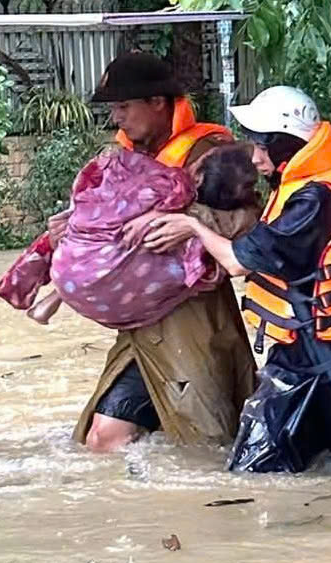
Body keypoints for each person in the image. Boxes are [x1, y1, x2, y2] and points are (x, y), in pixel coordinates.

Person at [141, 86, 331, 475]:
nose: (254, 159)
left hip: (323, 365)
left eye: (261, 147)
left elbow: (238, 262)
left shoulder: (314, 198)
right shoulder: (313, 181)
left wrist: (191, 227)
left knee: (255, 475)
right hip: (318, 356)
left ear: (287, 143)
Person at [63, 51, 258, 452]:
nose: (117, 118)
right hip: (136, 325)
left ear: (158, 103)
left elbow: (252, 220)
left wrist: (183, 222)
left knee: (207, 442)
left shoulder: (215, 151)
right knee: (101, 439)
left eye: (123, 107)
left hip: (194, 323)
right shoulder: (122, 159)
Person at [0, 142, 260, 327]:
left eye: (124, 106)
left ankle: (55, 295)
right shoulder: (224, 223)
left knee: (118, 242)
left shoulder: (171, 190)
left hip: (73, 271)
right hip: (113, 298)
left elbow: (105, 172)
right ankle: (56, 296)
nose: (117, 115)